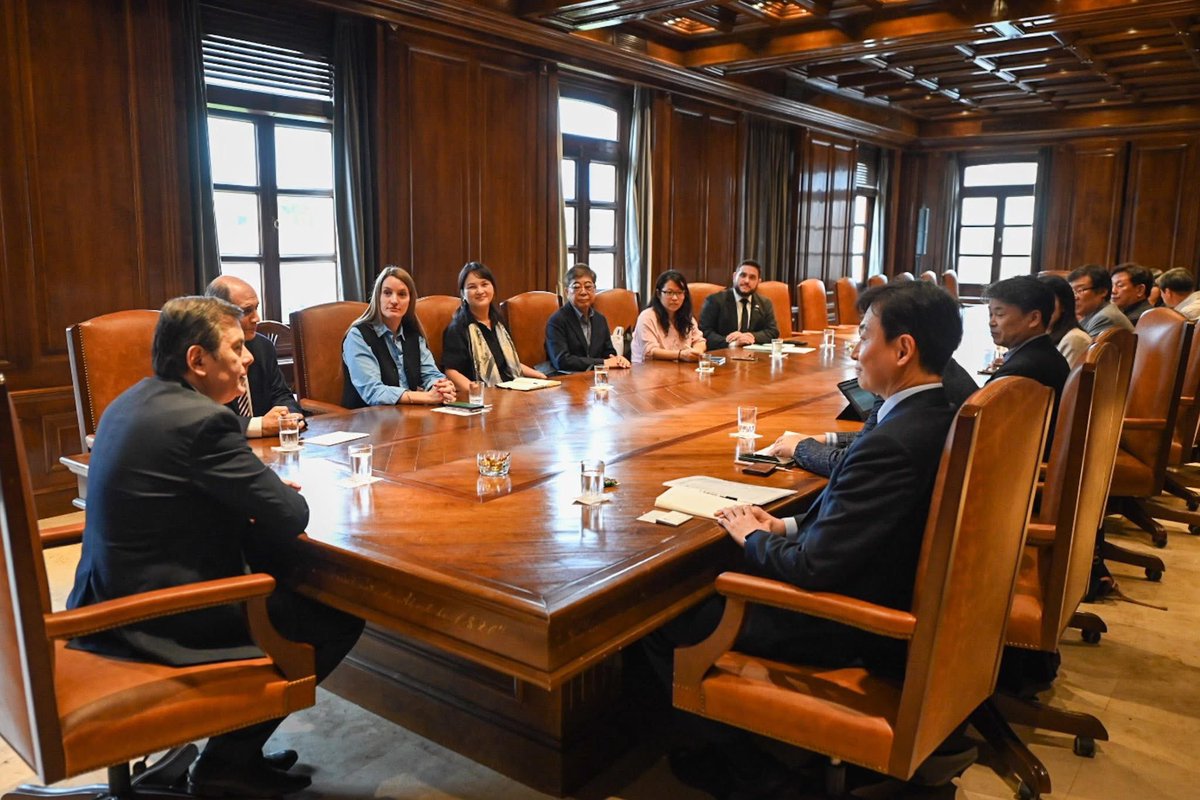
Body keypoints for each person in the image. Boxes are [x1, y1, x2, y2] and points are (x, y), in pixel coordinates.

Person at [645, 281, 966, 793]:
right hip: (891, 585)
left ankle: (751, 774)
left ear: (903, 350)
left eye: (864, 336)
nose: (856, 351)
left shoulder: (892, 443)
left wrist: (753, 537)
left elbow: (813, 569)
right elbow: (864, 523)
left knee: (663, 614)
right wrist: (786, 524)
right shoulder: (939, 411)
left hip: (849, 620)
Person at [66, 296, 364, 798]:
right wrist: (260, 494)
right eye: (237, 347)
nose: (250, 357)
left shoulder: (130, 401)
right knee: (335, 615)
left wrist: (243, 496)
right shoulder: (203, 421)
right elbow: (293, 516)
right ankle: (226, 763)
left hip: (105, 602)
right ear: (197, 361)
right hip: (158, 617)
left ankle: (236, 755)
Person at [342, 266, 456, 408]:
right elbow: (373, 392)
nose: (394, 300)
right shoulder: (358, 336)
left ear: (410, 300)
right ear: (378, 297)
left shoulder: (413, 334)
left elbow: (431, 374)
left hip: (409, 418)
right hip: (367, 421)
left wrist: (441, 387)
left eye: (402, 294)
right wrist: (422, 396)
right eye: (387, 293)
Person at [205, 275, 302, 437]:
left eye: (257, 308)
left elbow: (281, 394)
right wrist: (258, 425)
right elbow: (203, 417)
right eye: (247, 311)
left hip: (270, 444)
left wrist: (289, 417)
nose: (257, 318)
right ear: (219, 313)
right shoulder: (206, 354)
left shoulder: (263, 346)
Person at [442, 261, 548, 393]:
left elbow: (511, 364)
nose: (480, 291)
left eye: (484, 284)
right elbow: (451, 371)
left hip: (510, 391)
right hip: (482, 396)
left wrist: (540, 377)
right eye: (472, 287)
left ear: (493, 287)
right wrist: (478, 393)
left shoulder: (499, 323)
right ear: (463, 293)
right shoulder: (458, 328)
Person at [544, 264, 631, 373]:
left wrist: (617, 360)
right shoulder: (556, 321)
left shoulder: (600, 319)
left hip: (596, 379)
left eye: (588, 286)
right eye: (576, 287)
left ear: (594, 289)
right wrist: (602, 363)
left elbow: (609, 353)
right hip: (567, 380)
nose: (583, 292)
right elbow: (562, 361)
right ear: (567, 292)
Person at [698, 258, 779, 350]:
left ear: (758, 282)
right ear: (734, 276)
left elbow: (773, 331)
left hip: (754, 355)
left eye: (752, 277)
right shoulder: (714, 300)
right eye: (742, 275)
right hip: (723, 354)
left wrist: (749, 336)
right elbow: (705, 332)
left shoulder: (765, 303)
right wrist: (733, 342)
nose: (746, 281)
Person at [632, 270, 707, 363]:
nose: (675, 298)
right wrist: (680, 355)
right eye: (669, 292)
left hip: (678, 371)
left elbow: (699, 341)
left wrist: (697, 352)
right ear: (658, 294)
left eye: (679, 293)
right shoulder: (647, 317)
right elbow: (650, 351)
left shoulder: (687, 317)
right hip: (648, 371)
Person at [1039, 273, 1091, 368]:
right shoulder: (1046, 334)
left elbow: (1065, 381)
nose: (1040, 308)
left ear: (1063, 305)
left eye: (1047, 302)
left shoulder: (1075, 339)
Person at [1067, 264, 1134, 337]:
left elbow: (1083, 347)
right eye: (1072, 291)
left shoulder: (1105, 318)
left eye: (1080, 290)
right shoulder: (1089, 314)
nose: (1074, 297)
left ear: (1103, 292)